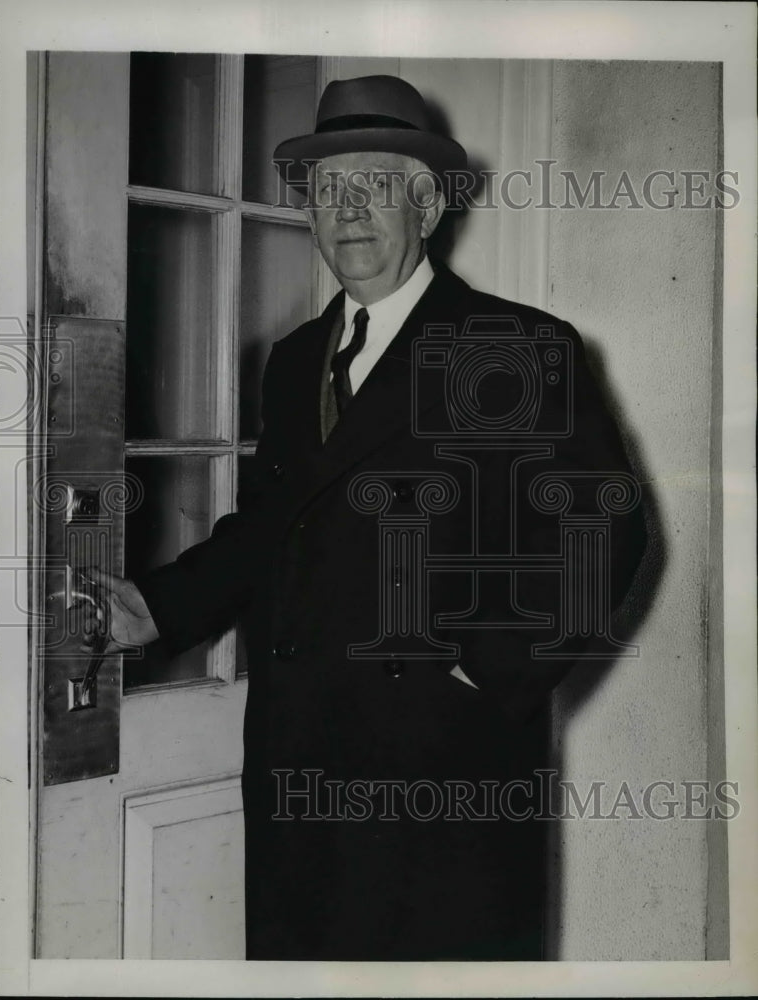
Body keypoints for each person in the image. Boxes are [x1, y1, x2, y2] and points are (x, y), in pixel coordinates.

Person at [83, 75, 647, 960]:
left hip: (441, 775)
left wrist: (481, 667)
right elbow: (273, 527)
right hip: (297, 760)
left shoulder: (517, 347)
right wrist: (157, 607)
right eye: (327, 189)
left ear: (424, 203)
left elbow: (603, 531)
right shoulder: (297, 356)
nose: (348, 209)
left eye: (375, 184)